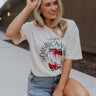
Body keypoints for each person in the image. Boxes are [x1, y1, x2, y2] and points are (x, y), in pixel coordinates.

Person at [6, 0, 90, 96]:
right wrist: (28, 7)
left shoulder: (69, 26)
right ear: (39, 9)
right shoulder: (31, 28)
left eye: (55, 3)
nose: (54, 8)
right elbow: (10, 33)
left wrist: (60, 88)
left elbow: (68, 60)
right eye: (47, 5)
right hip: (39, 84)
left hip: (61, 79)